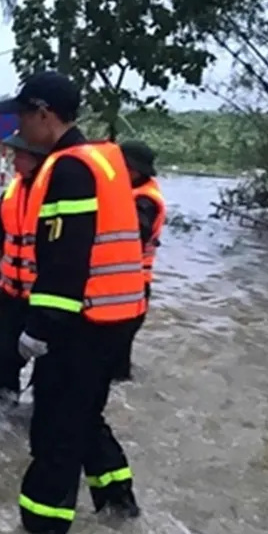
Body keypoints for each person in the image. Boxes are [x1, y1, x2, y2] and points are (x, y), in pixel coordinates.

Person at [0, 71, 146, 534]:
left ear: (44, 114)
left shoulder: (70, 168)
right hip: (115, 316)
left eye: (22, 116)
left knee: (55, 431)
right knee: (83, 417)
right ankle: (119, 506)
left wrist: (39, 329)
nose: (18, 127)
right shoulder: (102, 160)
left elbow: (66, 258)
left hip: (82, 322)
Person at [0, 132, 49, 403]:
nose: (14, 161)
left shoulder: (55, 192)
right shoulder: (12, 192)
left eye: (20, 155)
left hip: (45, 297)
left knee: (48, 371)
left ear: (37, 159)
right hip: (10, 294)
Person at [113, 139, 165, 382]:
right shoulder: (134, 193)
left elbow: (131, 236)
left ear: (131, 170)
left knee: (114, 360)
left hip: (131, 287)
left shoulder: (144, 202)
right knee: (114, 356)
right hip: (129, 287)